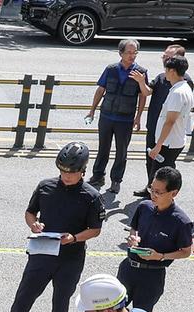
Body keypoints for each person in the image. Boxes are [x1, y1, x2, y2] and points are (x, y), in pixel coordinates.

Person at [0, 141, 104, 312]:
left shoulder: (91, 197)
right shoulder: (45, 187)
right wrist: (35, 225)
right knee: (22, 300)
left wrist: (74, 238)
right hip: (42, 254)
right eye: (62, 171)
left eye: (71, 173)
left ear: (83, 171)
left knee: (59, 307)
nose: (66, 176)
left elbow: (95, 229)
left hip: (70, 259)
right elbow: (30, 212)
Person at [116, 166, 191, 312]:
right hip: (128, 269)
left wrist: (161, 256)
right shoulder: (144, 206)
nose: (153, 195)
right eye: (152, 189)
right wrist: (133, 237)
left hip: (151, 277)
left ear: (174, 193)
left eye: (158, 192)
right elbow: (134, 227)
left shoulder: (181, 222)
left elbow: (186, 252)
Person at [85, 39, 149, 196]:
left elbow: (143, 96)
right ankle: (98, 176)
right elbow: (101, 90)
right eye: (128, 52)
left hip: (125, 119)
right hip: (106, 116)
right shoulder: (111, 69)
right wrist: (92, 110)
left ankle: (116, 180)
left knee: (122, 152)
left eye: (134, 53)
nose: (132, 56)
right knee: (103, 148)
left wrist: (138, 116)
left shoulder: (141, 72)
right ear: (121, 53)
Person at [136, 43, 188, 194]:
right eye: (164, 56)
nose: (164, 59)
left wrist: (159, 144)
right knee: (151, 162)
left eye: (168, 57)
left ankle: (161, 195)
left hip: (168, 137)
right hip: (154, 127)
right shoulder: (161, 78)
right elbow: (147, 92)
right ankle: (150, 188)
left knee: (164, 168)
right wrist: (141, 82)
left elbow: (171, 119)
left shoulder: (181, 86)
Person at [146, 56, 193, 177]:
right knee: (165, 177)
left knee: (160, 178)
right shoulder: (184, 88)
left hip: (168, 143)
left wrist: (158, 145)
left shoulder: (177, 93)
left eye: (166, 69)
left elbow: (170, 121)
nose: (164, 72)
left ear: (172, 71)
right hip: (173, 141)